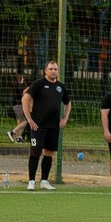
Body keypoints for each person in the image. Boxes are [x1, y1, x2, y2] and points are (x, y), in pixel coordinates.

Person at [21, 61, 70, 189]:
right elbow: (25, 98)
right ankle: (31, 181)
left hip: (53, 126)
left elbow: (68, 103)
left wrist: (65, 118)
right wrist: (29, 119)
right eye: (51, 69)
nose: (53, 71)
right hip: (38, 126)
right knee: (35, 152)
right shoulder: (39, 84)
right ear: (45, 71)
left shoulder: (60, 87)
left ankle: (44, 181)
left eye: (55, 69)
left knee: (49, 153)